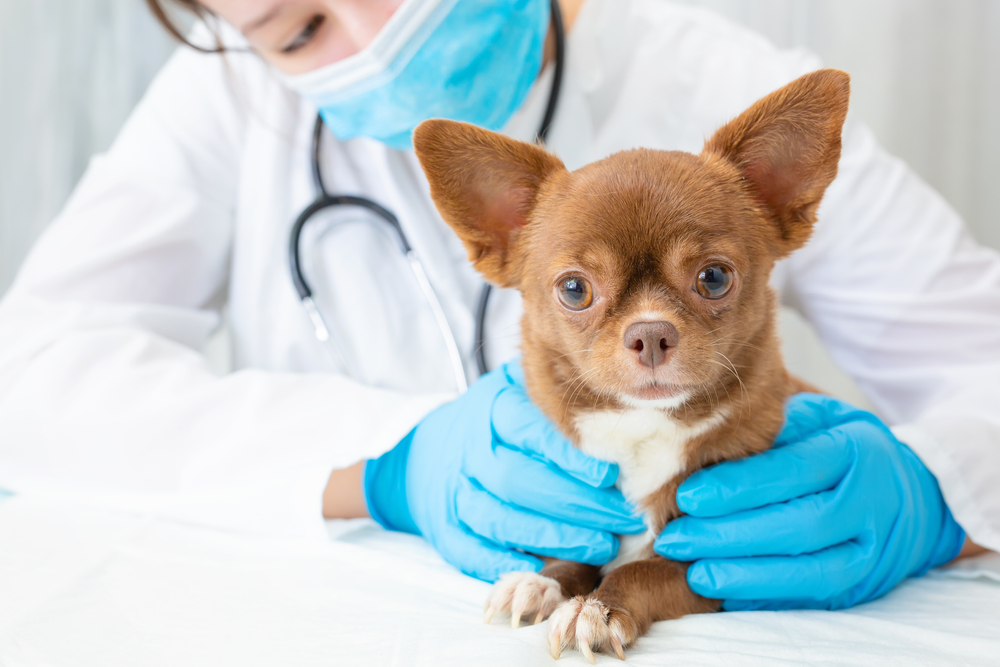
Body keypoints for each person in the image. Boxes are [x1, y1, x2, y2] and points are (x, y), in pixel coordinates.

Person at [0, 0, 995, 612]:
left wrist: (930, 496)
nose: (372, 35)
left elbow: (980, 364)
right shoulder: (225, 102)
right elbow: (31, 377)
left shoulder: (716, 83)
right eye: (297, 30)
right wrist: (392, 464)